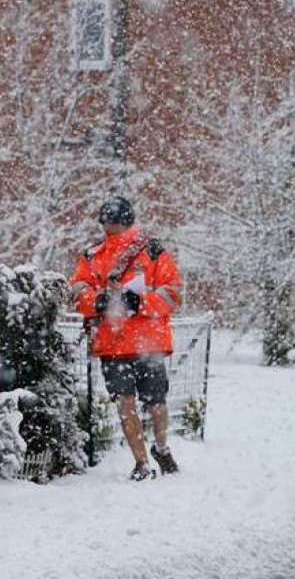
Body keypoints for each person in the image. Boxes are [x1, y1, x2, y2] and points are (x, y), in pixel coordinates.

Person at [70, 196, 182, 480]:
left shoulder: (152, 252)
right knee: (129, 403)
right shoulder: (93, 256)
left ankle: (159, 448)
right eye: (108, 225)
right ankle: (142, 462)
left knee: (153, 402)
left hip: (145, 342)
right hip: (118, 343)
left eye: (115, 225)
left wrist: (139, 302)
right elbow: (77, 292)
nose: (112, 230)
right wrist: (99, 301)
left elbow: (173, 293)